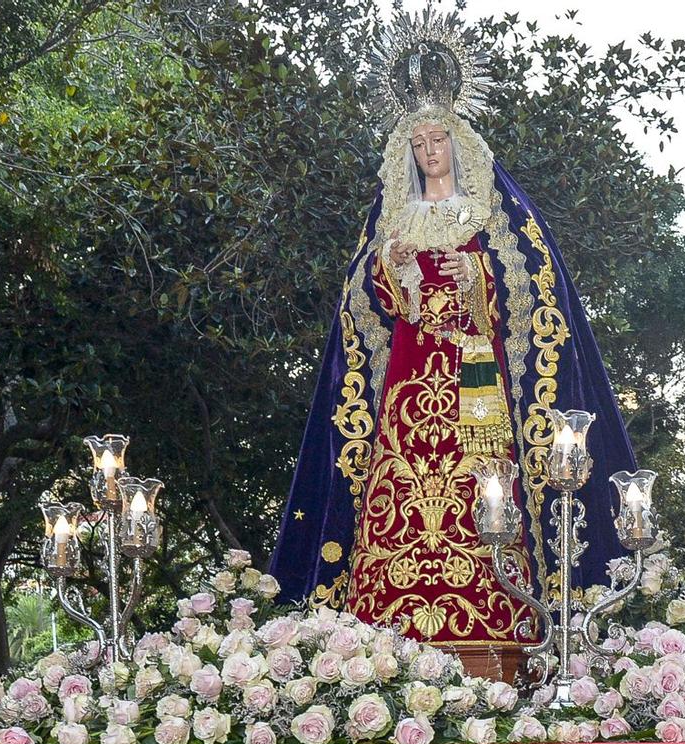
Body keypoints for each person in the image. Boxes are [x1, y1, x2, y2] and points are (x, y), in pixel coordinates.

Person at [269, 12, 638, 661]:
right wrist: (397, 275)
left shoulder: (496, 216)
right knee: (401, 492)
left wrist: (472, 276)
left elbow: (526, 290)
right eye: (419, 144)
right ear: (406, 153)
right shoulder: (393, 219)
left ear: (458, 144)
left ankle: (503, 625)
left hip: (477, 389)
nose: (430, 151)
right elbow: (368, 304)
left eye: (439, 140)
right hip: (410, 391)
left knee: (484, 493)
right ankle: (387, 628)